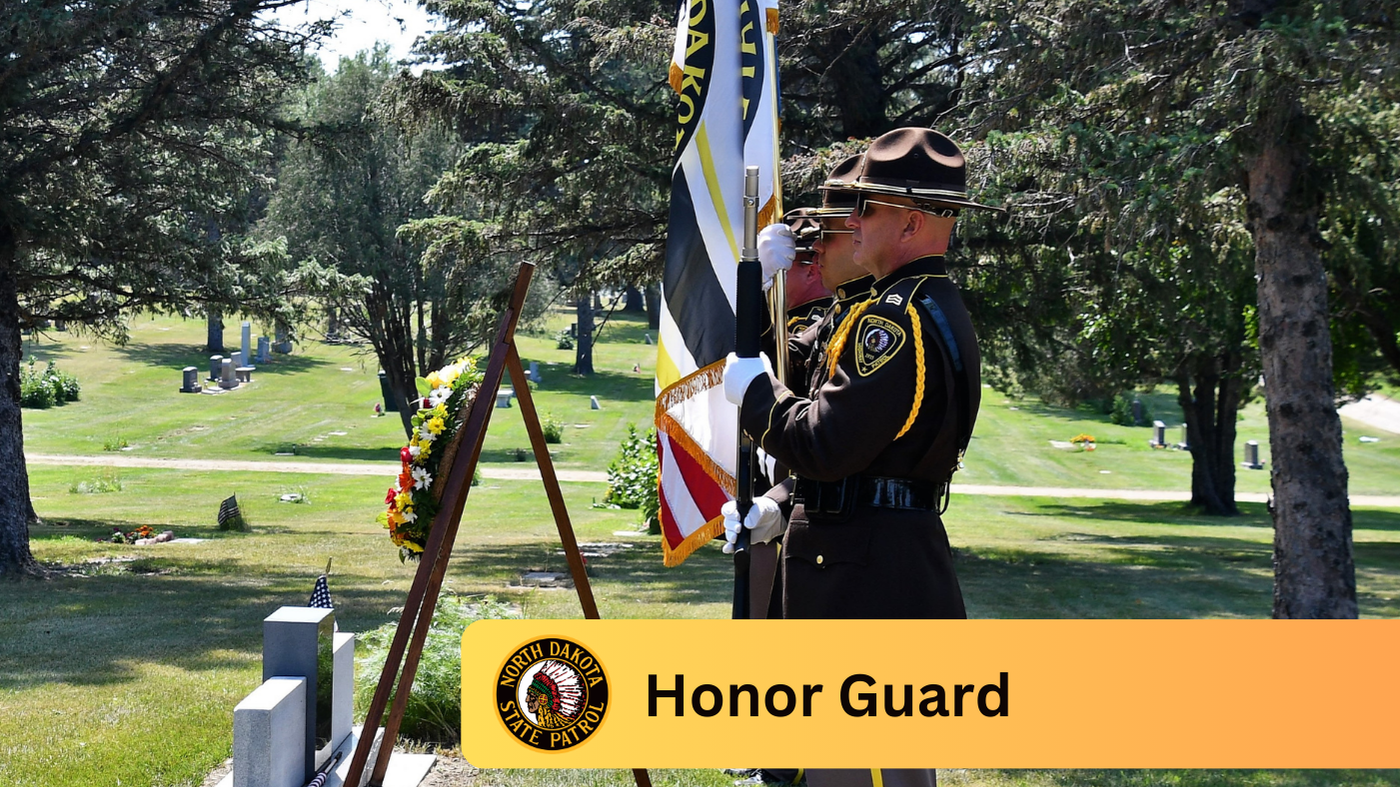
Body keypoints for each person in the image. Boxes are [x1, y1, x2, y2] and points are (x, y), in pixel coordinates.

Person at [720, 128, 1004, 787]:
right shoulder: (924, 305)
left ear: (908, 222)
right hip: (886, 561)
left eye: (865, 209)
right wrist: (780, 502)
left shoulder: (894, 322)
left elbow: (825, 444)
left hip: (862, 577)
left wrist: (758, 396)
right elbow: (873, 457)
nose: (850, 222)